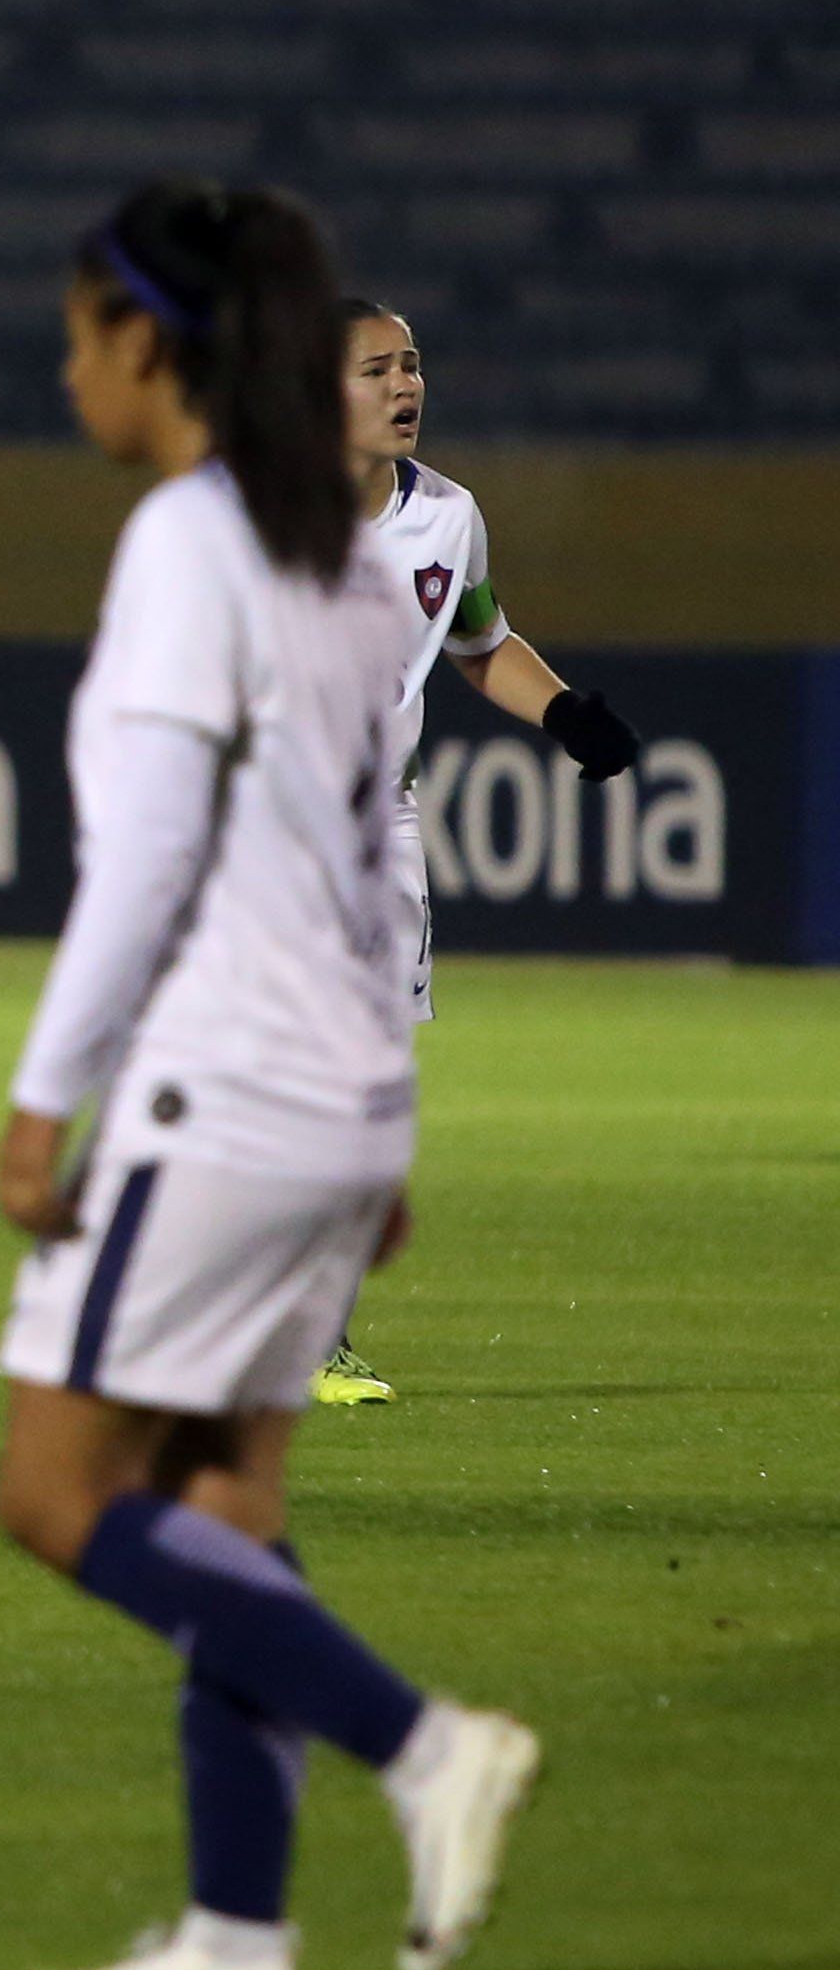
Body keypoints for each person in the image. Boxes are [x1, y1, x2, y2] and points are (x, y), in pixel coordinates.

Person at [0, 180, 537, 1970]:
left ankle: (421, 1739)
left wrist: (42, 1095)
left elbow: (146, 862)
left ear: (150, 344)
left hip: (221, 1079)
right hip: (336, 1088)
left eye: (79, 333)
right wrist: (378, 1124)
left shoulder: (192, 542)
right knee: (225, 1505)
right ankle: (237, 1935)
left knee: (59, 1491)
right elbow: (362, 846)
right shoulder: (336, 550)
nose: (68, 368)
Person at [316, 301, 644, 1405]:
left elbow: (481, 641)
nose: (405, 384)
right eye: (376, 368)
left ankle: (315, 1338)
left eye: (412, 363)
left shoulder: (448, 518)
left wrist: (565, 717)